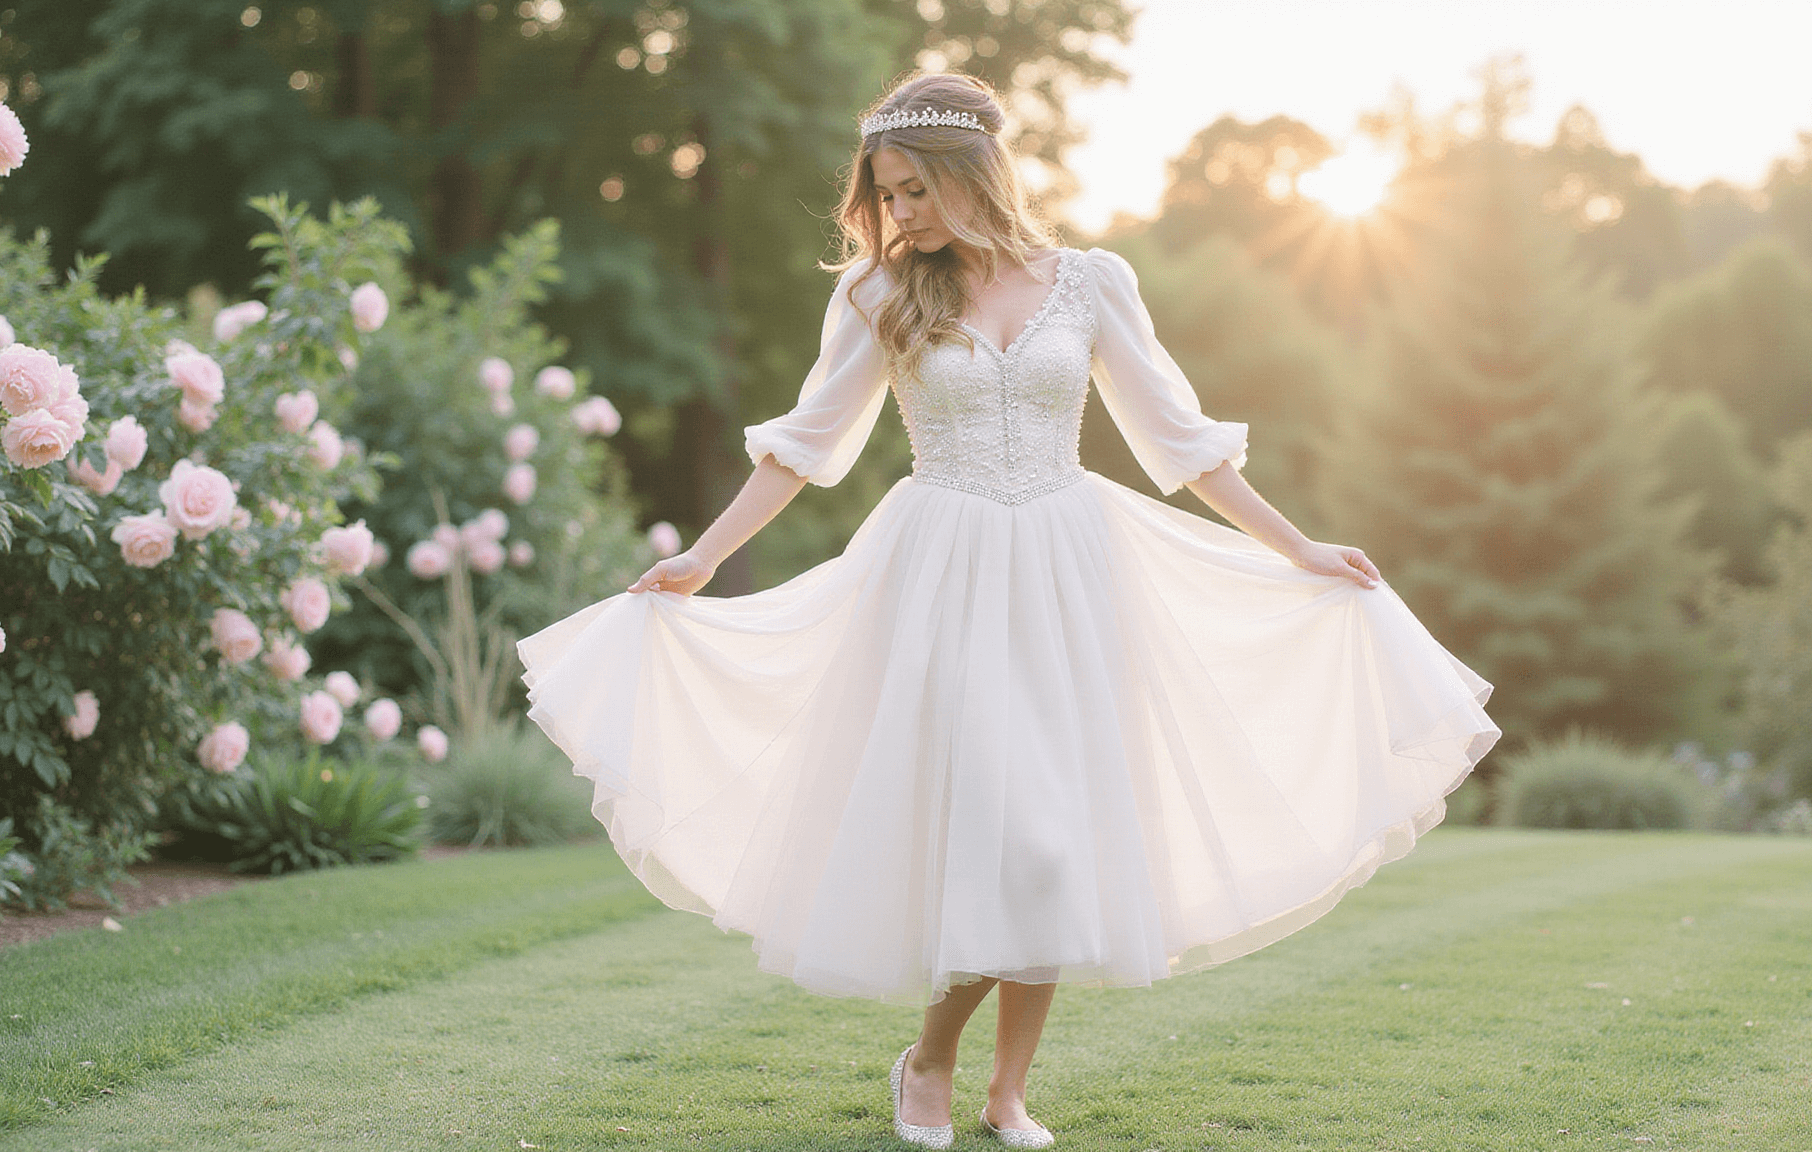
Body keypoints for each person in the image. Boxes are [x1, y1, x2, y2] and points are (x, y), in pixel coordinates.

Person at [517, 71, 1499, 1150]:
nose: (899, 215)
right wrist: (701, 557)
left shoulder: (1089, 283)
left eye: (912, 192)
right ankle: (928, 1064)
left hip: (1072, 571)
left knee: (1055, 839)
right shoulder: (876, 296)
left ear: (970, 174)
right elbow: (802, 449)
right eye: (885, 196)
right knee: (1006, 828)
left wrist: (1299, 546)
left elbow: (1180, 444)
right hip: (939, 573)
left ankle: (1006, 1091)